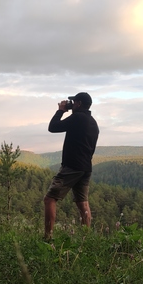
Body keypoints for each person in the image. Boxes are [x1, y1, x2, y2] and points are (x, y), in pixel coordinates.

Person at [43, 92, 99, 240]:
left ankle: (48, 237)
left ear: (79, 103)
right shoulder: (93, 122)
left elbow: (53, 127)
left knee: (50, 199)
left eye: (73, 102)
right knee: (83, 203)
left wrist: (61, 110)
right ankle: (85, 238)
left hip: (72, 167)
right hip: (86, 168)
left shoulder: (77, 118)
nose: (71, 104)